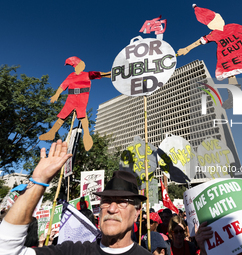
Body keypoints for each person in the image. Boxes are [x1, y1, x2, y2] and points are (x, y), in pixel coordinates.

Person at [0, 140, 151, 255]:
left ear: (137, 212)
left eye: (122, 202)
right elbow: (6, 250)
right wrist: (39, 181)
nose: (111, 209)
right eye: (106, 201)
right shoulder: (73, 251)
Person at [177, 5, 242, 101]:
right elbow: (199, 41)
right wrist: (187, 49)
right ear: (210, 25)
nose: (219, 20)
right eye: (215, 20)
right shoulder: (213, 34)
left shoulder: (232, 26)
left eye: (218, 18)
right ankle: (235, 98)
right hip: (229, 56)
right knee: (231, 74)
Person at [39, 57, 111, 151]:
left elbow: (100, 74)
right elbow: (63, 85)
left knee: (82, 115)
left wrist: (109, 74)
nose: (81, 66)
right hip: (71, 98)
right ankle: (51, 133)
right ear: (76, 66)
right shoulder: (71, 76)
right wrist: (56, 95)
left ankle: (87, 135)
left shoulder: (87, 74)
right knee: (63, 116)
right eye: (79, 65)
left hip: (82, 96)